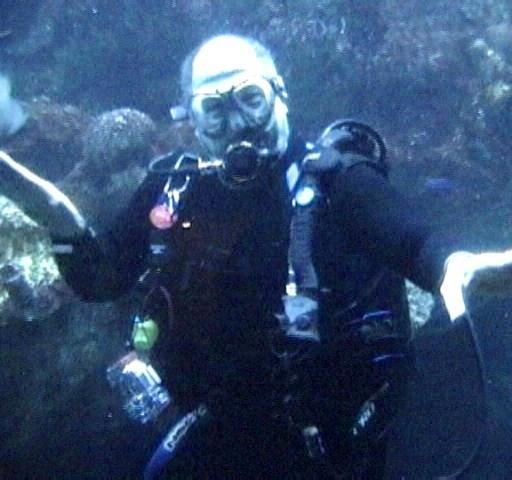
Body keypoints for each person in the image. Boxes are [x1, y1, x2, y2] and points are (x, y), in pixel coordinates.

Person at [2, 34, 512, 479]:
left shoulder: (339, 181)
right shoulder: (172, 189)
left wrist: (455, 268)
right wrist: (58, 219)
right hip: (208, 433)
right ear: (190, 119)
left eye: (250, 97)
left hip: (328, 447)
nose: (238, 123)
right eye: (214, 109)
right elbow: (102, 278)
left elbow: (415, 244)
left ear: (280, 95)